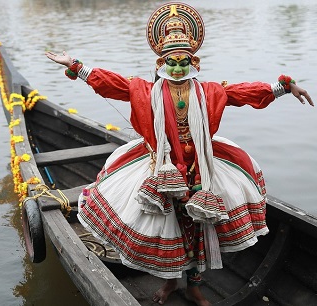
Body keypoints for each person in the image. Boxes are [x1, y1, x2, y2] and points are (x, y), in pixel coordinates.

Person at [45, 2, 314, 305]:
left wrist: (283, 88)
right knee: (166, 227)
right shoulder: (144, 90)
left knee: (201, 228)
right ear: (161, 61)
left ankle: (195, 287)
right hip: (160, 170)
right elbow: (111, 83)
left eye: (182, 62)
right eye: (170, 62)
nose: (176, 68)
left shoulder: (209, 91)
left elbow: (243, 93)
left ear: (193, 61)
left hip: (203, 169)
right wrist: (76, 65)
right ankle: (172, 281)